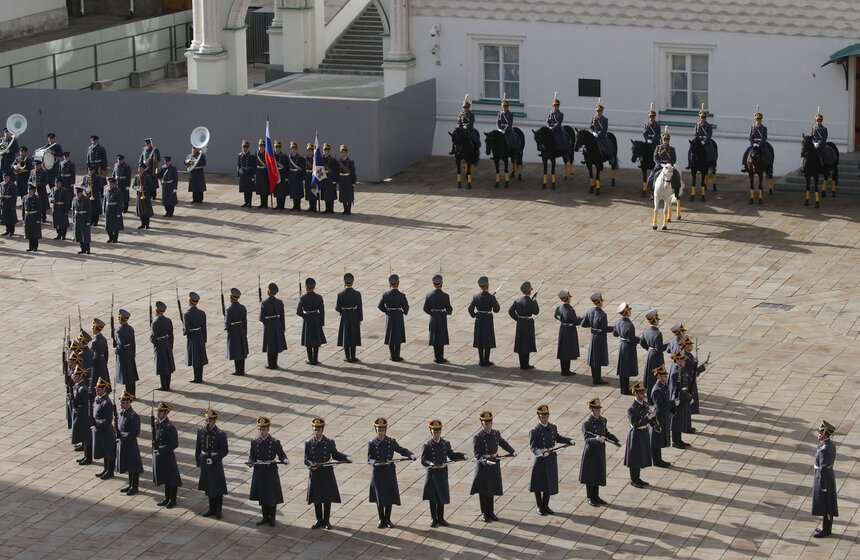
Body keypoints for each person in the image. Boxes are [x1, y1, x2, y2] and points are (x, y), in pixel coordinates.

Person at [304, 417, 351, 529]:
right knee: (317, 497)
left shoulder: (329, 442)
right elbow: (306, 459)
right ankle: (318, 520)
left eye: (319, 430)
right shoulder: (309, 443)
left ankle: (326, 521)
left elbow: (335, 454)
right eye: (315, 429)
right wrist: (311, 464)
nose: (317, 432)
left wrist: (346, 458)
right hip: (315, 473)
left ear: (322, 429)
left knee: (327, 497)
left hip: (326, 472)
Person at [368, 417, 415, 528]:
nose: (381, 432)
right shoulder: (372, 443)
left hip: (389, 471)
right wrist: (375, 463)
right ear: (376, 430)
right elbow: (369, 459)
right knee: (379, 496)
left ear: (385, 430)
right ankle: (381, 518)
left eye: (382, 430)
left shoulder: (391, 442)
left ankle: (388, 518)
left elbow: (401, 450)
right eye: (379, 430)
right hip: (378, 472)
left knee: (389, 494)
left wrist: (410, 454)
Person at [471, 411, 516, 522]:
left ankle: (491, 512)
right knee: (483, 490)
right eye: (485, 424)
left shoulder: (496, 433)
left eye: (489, 423)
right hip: (484, 465)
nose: (488, 425)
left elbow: (502, 443)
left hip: (494, 462)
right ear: (482, 424)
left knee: (491, 488)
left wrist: (512, 451)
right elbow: (477, 454)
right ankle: (484, 513)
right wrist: (485, 461)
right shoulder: (478, 437)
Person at [529, 404, 574, 515]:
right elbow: (533, 447)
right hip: (540, 459)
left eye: (547, 416)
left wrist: (569, 440)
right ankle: (539, 506)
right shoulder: (534, 431)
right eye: (543, 417)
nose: (545, 419)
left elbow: (557, 437)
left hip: (550, 457)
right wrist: (541, 452)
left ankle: (546, 505)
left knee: (549, 482)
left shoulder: (552, 427)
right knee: (539, 484)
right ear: (538, 417)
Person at [421, 419, 467, 527]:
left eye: (438, 432)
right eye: (434, 432)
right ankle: (433, 518)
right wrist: (431, 463)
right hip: (432, 474)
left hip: (441, 473)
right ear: (431, 432)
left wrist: (462, 455)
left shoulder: (445, 443)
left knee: (441, 495)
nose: (436, 434)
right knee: (432, 497)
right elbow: (423, 460)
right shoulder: (427, 445)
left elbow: (451, 454)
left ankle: (441, 517)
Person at [580, 397, 620, 506]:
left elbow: (606, 432)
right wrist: (596, 439)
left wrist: (614, 439)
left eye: (599, 409)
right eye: (596, 409)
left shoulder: (603, 420)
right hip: (591, 452)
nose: (598, 411)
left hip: (600, 450)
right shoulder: (587, 424)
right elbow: (587, 438)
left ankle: (596, 496)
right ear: (591, 410)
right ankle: (590, 497)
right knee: (590, 474)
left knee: (598, 473)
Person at [249, 416, 288, 526]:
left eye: (264, 429)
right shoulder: (254, 442)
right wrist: (250, 461)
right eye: (260, 429)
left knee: (271, 494)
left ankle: (272, 518)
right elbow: (252, 455)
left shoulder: (274, 442)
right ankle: (265, 517)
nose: (262, 431)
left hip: (270, 470)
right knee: (262, 494)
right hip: (260, 470)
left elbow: (281, 454)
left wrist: (284, 459)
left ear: (268, 429)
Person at [195, 408, 229, 519]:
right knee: (209, 486)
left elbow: (224, 451)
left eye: (209, 421)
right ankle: (211, 508)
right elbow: (198, 447)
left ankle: (218, 509)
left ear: (214, 421)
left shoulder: (220, 434)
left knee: (217, 487)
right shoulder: (201, 431)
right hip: (205, 460)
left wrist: (214, 459)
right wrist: (199, 461)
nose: (207, 423)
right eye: (206, 420)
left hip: (215, 463)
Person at [624, 381, 655, 488]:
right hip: (636, 434)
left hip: (644, 433)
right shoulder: (631, 409)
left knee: (640, 456)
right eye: (641, 393)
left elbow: (649, 415)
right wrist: (647, 419)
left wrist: (654, 423)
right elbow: (636, 424)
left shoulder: (645, 404)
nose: (643, 395)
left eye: (643, 393)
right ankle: (633, 479)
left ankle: (638, 478)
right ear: (636, 394)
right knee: (634, 458)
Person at [152, 401, 182, 508]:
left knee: (171, 478)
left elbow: (174, 444)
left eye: (161, 412)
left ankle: (172, 499)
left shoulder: (170, 427)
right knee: (165, 477)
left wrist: (161, 450)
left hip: (167, 455)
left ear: (165, 413)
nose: (158, 413)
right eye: (158, 411)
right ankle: (167, 498)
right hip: (159, 454)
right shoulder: (156, 423)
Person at [811, 420, 838, 538]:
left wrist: (822, 484)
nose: (818, 433)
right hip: (828, 477)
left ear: (825, 433)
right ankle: (826, 527)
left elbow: (824, 468)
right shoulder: (828, 444)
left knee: (826, 505)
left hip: (824, 478)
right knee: (826, 504)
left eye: (820, 432)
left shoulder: (824, 449)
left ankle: (826, 530)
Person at [580, 292, 613, 385]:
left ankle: (595, 378)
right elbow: (604, 329)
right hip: (599, 337)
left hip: (593, 336)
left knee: (593, 357)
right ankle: (597, 379)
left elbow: (583, 324)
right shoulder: (602, 315)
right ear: (600, 302)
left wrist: (593, 325)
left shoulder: (590, 311)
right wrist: (615, 328)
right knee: (598, 358)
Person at [468, 276, 500, 366]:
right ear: (488, 285)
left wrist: (475, 315)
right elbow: (496, 310)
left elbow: (470, 309)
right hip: (488, 320)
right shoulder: (491, 297)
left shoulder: (476, 296)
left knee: (480, 339)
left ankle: (481, 360)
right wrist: (496, 302)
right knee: (487, 339)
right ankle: (486, 360)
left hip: (479, 320)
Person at [116, 390, 143, 495]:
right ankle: (130, 485)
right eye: (121, 402)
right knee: (128, 464)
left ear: (128, 403)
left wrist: (124, 439)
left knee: (134, 466)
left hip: (130, 443)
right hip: (123, 442)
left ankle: (134, 487)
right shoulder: (121, 413)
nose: (121, 404)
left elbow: (135, 433)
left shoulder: (133, 416)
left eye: (123, 402)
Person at [509, 281, 540, 370]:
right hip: (528, 323)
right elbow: (536, 312)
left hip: (520, 323)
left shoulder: (517, 300)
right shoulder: (531, 301)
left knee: (520, 342)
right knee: (527, 343)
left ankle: (522, 363)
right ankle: (525, 364)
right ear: (530, 291)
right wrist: (535, 302)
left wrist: (517, 319)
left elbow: (511, 311)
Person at [378, 274, 409, 362]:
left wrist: (386, 311)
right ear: (398, 283)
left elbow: (380, 306)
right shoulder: (402, 295)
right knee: (398, 335)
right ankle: (397, 355)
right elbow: (406, 307)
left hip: (390, 315)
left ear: (390, 284)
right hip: (398, 316)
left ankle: (392, 355)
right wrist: (404, 312)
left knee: (391, 335)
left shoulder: (385, 294)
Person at [424, 274, 453, 364]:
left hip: (433, 317)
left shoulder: (429, 295)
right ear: (441, 283)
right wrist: (446, 312)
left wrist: (432, 313)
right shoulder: (445, 296)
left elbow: (425, 308)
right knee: (441, 336)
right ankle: (441, 357)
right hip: (441, 317)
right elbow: (449, 309)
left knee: (434, 336)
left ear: (433, 284)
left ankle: (436, 357)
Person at [91, 377, 116, 480]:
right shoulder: (97, 398)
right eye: (96, 389)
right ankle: (105, 469)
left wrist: (97, 426)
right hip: (100, 429)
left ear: (104, 389)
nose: (96, 390)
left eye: (99, 389)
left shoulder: (107, 403)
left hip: (106, 430)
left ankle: (110, 471)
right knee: (104, 451)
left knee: (109, 452)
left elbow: (108, 420)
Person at [613, 302, 640, 395]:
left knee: (622, 368)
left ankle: (623, 388)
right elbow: (632, 340)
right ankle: (625, 389)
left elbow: (615, 334)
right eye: (629, 310)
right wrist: (639, 340)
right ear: (626, 312)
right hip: (628, 347)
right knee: (627, 369)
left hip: (621, 345)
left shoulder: (617, 322)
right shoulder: (629, 325)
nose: (630, 312)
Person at [298, 277, 326, 365]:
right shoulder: (319, 297)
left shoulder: (303, 298)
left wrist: (304, 316)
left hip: (307, 319)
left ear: (306, 287)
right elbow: (322, 311)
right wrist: (321, 322)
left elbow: (298, 311)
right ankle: (316, 359)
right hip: (316, 318)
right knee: (316, 339)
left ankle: (310, 359)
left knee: (308, 339)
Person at [668, 349, 692, 449]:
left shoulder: (679, 369)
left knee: (680, 420)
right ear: (678, 361)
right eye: (682, 360)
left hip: (681, 398)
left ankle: (679, 439)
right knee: (676, 421)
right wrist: (687, 398)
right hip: (677, 400)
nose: (685, 362)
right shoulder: (675, 373)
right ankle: (675, 441)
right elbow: (676, 390)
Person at [335, 273, 362, 363]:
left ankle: (347, 356)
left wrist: (343, 312)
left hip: (345, 316)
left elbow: (337, 307)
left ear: (344, 282)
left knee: (346, 336)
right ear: (352, 282)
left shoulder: (340, 294)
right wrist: (360, 318)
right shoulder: (357, 294)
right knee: (353, 335)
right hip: (354, 315)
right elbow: (360, 307)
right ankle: (353, 356)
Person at [554, 289, 581, 376]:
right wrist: (582, 319)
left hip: (563, 329)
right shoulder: (570, 310)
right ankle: (566, 371)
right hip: (569, 331)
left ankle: (564, 369)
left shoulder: (559, 307)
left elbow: (556, 315)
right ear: (568, 298)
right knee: (568, 350)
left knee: (563, 350)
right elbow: (576, 321)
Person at [640, 310, 668, 398]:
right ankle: (655, 396)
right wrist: (668, 345)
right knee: (657, 376)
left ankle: (649, 395)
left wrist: (649, 348)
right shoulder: (658, 334)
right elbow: (660, 348)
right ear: (655, 320)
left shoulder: (646, 330)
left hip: (650, 354)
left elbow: (642, 342)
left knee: (649, 377)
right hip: (656, 357)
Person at [222, 287, 249, 375]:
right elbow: (245, 321)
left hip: (233, 331)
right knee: (241, 350)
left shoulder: (229, 309)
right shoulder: (242, 307)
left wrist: (227, 329)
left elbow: (227, 324)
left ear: (231, 297)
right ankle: (242, 369)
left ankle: (238, 370)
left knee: (236, 350)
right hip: (241, 329)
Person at [260, 282, 287, 370]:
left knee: (270, 344)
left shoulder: (264, 303)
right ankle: (274, 363)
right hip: (277, 323)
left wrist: (265, 322)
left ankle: (270, 364)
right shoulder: (279, 302)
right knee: (276, 343)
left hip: (269, 324)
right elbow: (282, 316)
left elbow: (261, 318)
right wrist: (283, 327)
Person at [150, 301, 176, 390]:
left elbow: (153, 338)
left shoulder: (155, 323)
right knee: (168, 365)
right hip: (167, 343)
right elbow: (171, 334)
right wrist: (170, 345)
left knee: (162, 365)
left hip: (160, 345)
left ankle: (163, 385)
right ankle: (167, 384)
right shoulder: (168, 320)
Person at [183, 292, 208, 383]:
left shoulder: (187, 314)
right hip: (200, 335)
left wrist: (184, 331)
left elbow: (186, 330)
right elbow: (204, 327)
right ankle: (199, 377)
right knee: (200, 357)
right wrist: (204, 338)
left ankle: (196, 378)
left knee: (194, 357)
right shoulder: (202, 313)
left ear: (190, 301)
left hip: (192, 337)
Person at [650, 366, 672, 468]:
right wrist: (672, 404)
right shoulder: (656, 390)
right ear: (658, 377)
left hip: (664, 415)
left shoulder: (664, 386)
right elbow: (661, 405)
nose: (665, 378)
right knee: (656, 440)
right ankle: (656, 461)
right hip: (659, 416)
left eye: (666, 376)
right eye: (663, 376)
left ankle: (659, 459)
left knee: (659, 439)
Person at [648, 127, 681, 194]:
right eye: (664, 140)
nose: (666, 142)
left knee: (676, 175)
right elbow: (655, 157)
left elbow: (674, 159)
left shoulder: (672, 149)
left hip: (668, 166)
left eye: (667, 140)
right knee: (652, 176)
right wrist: (660, 163)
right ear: (662, 140)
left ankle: (676, 190)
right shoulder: (658, 148)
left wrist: (669, 164)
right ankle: (653, 191)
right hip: (660, 165)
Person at [114, 309, 139, 396]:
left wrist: (115, 350)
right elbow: (133, 343)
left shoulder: (119, 331)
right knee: (131, 374)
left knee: (127, 375)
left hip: (124, 354)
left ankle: (128, 394)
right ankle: (133, 393)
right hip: (130, 352)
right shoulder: (130, 328)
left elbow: (120, 346)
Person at [742, 106, 773, 174]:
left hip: (761, 144)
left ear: (761, 120)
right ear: (755, 120)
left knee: (767, 153)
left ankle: (769, 167)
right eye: (757, 119)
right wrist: (753, 143)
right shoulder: (753, 127)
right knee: (747, 151)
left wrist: (760, 144)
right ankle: (745, 165)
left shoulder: (764, 128)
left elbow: (765, 137)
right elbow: (750, 137)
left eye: (759, 119)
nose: (758, 120)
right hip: (754, 143)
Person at [71, 366, 93, 465]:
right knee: (84, 437)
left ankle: (88, 458)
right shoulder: (78, 386)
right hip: (81, 415)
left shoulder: (82, 389)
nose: (74, 377)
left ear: (80, 377)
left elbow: (85, 405)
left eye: (76, 375)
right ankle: (85, 455)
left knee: (86, 437)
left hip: (84, 416)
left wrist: (77, 408)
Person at [336, 144, 356, 215]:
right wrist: (337, 180)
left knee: (349, 195)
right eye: (341, 152)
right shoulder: (338, 162)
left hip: (348, 180)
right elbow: (337, 172)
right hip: (342, 179)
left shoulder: (350, 162)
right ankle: (345, 209)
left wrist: (353, 181)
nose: (342, 154)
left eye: (344, 152)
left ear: (346, 153)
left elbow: (353, 173)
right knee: (343, 195)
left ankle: (349, 209)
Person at [132, 164, 154, 230]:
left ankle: (147, 224)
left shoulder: (147, 176)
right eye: (139, 168)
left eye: (141, 168)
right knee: (140, 210)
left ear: (144, 169)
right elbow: (133, 185)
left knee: (146, 210)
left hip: (146, 195)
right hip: (139, 195)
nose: (140, 170)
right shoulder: (136, 176)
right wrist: (138, 188)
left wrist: (144, 188)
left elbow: (151, 186)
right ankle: (142, 224)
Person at [90, 318, 111, 387]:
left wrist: (90, 363)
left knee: (95, 383)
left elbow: (95, 357)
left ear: (95, 328)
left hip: (97, 367)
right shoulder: (103, 339)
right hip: (103, 364)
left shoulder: (94, 342)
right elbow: (106, 354)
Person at [21, 183, 41, 252]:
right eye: (29, 190)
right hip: (28, 216)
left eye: (31, 190)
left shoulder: (37, 198)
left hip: (34, 216)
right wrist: (23, 218)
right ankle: (30, 247)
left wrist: (38, 219)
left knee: (34, 232)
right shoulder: (25, 197)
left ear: (34, 191)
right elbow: (23, 209)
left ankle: (35, 247)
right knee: (29, 232)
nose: (29, 191)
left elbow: (39, 209)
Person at [103, 177, 123, 243]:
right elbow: (105, 200)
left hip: (115, 209)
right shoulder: (106, 190)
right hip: (108, 209)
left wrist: (118, 213)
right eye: (109, 184)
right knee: (108, 225)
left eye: (111, 184)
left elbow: (120, 203)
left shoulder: (118, 191)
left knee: (116, 225)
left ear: (114, 184)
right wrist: (104, 210)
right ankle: (111, 237)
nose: (110, 185)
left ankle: (115, 238)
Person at [72, 186, 91, 254]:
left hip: (84, 218)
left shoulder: (86, 199)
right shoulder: (74, 199)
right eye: (76, 193)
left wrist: (88, 221)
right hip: (77, 218)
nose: (77, 194)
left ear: (81, 193)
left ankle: (87, 249)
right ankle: (82, 248)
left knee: (85, 234)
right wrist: (73, 219)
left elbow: (89, 211)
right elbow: (73, 209)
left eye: (79, 193)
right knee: (79, 234)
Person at [286, 141, 305, 211]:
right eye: (292, 148)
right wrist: (287, 177)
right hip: (292, 175)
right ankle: (294, 205)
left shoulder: (300, 158)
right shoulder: (288, 157)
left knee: (298, 191)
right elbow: (287, 168)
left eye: (294, 148)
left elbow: (303, 169)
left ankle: (298, 206)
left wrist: (303, 178)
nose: (293, 150)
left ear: (296, 149)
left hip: (298, 176)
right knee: (293, 191)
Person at [321, 143, 338, 214]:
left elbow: (335, 171)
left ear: (329, 151)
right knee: (325, 194)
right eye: (324, 150)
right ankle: (327, 208)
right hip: (324, 179)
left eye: (327, 150)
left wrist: (335, 180)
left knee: (330, 195)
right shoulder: (321, 159)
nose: (325, 151)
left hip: (330, 179)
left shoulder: (333, 160)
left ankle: (331, 209)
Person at [237, 140, 255, 208]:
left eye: (246, 147)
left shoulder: (251, 156)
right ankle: (245, 202)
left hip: (249, 173)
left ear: (248, 147)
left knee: (249, 189)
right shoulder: (240, 155)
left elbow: (253, 167)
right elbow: (238, 165)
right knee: (244, 188)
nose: (245, 148)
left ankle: (249, 202)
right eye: (243, 147)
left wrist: (253, 176)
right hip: (243, 173)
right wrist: (238, 174)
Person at [0, 170, 18, 236]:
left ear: (9, 177)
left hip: (10, 202)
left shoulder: (12, 185)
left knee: (11, 218)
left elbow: (14, 196)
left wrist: (13, 205)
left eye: (6, 177)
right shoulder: (1, 184)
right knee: (5, 217)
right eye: (4, 177)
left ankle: (12, 231)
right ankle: (7, 230)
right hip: (4, 203)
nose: (5, 178)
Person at [272, 141, 288, 209]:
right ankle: (278, 204)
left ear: (280, 148)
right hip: (275, 174)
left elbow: (287, 167)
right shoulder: (272, 156)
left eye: (278, 147)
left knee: (282, 190)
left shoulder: (284, 156)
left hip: (282, 174)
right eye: (276, 147)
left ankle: (282, 205)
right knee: (277, 190)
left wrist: (286, 177)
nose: (277, 149)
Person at [254, 139, 270, 208]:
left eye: (263, 146)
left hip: (264, 172)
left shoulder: (267, 154)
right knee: (260, 188)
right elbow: (254, 163)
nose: (261, 147)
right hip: (259, 172)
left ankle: (265, 204)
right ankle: (261, 203)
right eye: (260, 146)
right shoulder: (256, 153)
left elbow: (269, 164)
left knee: (265, 188)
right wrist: (255, 173)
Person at [304, 143, 318, 212]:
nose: (309, 152)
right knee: (309, 192)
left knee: (314, 191)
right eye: (308, 150)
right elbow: (303, 168)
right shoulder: (305, 158)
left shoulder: (315, 159)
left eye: (311, 150)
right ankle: (310, 206)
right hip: (307, 176)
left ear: (313, 151)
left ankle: (314, 207)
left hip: (313, 176)